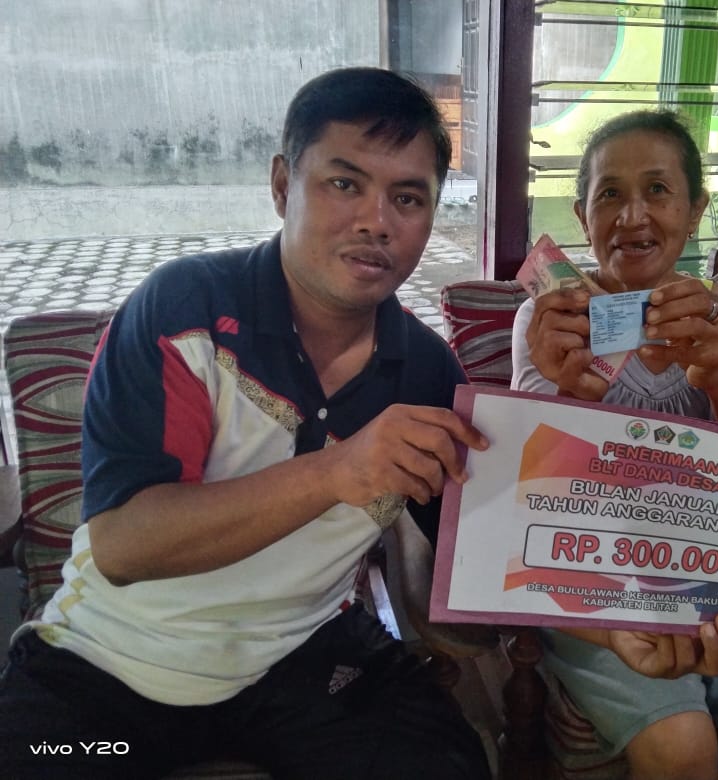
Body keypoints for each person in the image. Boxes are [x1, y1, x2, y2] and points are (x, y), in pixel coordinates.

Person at [0, 67, 491, 780]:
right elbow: (125, 545)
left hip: (306, 656)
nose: (377, 221)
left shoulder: (427, 372)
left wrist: (612, 615)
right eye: (344, 183)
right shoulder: (185, 309)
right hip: (107, 666)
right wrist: (339, 470)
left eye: (408, 198)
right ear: (283, 185)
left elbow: (466, 580)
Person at [511, 110, 718, 780]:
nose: (633, 217)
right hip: (593, 566)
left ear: (695, 209)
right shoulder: (550, 318)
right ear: (582, 215)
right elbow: (525, 494)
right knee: (681, 749)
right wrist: (569, 393)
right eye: (610, 195)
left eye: (657, 190)